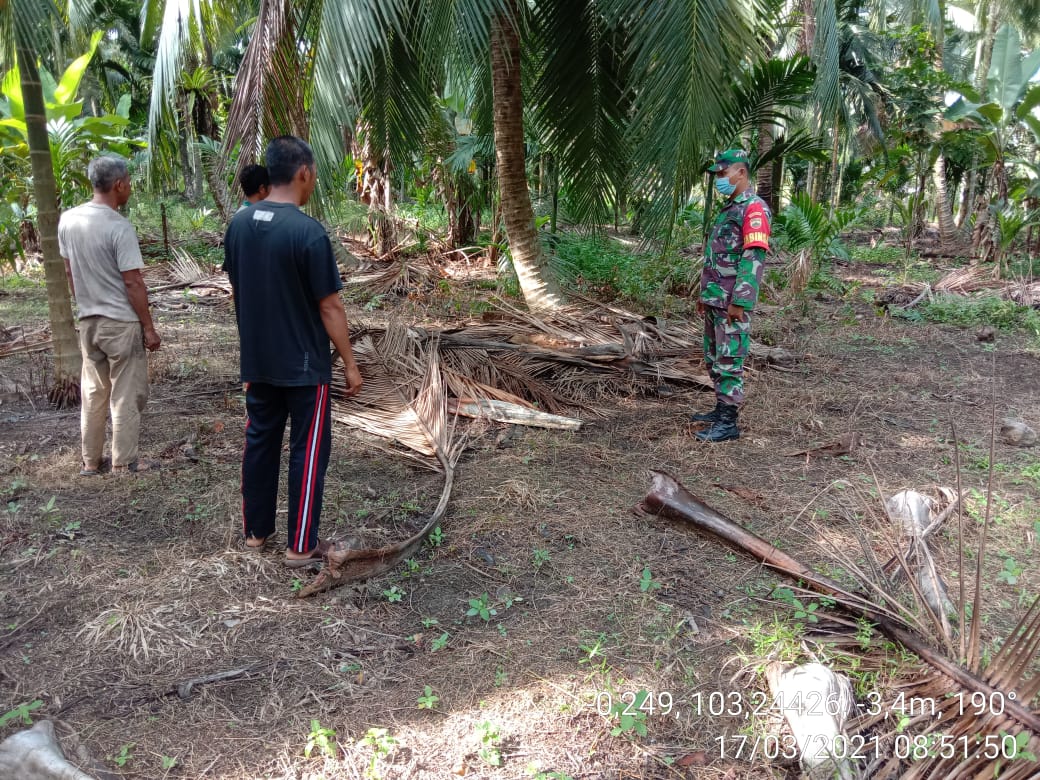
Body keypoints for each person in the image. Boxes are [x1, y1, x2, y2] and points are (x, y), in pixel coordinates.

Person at [223, 136, 363, 568]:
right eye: (315, 173)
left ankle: (255, 533)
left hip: (258, 360)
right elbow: (330, 305)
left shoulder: (239, 225)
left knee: (260, 441)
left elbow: (239, 287)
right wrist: (351, 366)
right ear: (303, 172)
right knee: (308, 450)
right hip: (304, 366)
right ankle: (301, 546)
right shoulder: (308, 232)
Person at [59, 155, 161, 476]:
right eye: (128, 182)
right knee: (125, 394)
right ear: (118, 185)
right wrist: (149, 327)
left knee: (94, 392)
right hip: (121, 324)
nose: (129, 187)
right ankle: (123, 463)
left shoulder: (68, 220)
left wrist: (86, 303)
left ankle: (90, 461)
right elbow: (133, 281)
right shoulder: (119, 227)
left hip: (89, 321)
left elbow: (69, 271)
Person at [691, 148, 771, 443]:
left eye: (723, 174)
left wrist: (741, 300)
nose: (719, 180)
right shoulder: (730, 208)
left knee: (729, 358)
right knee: (714, 357)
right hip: (715, 297)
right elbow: (717, 257)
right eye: (717, 175)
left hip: (731, 302)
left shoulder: (754, 208)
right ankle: (720, 408)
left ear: (741, 172)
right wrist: (704, 295)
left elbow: (753, 257)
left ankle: (729, 423)